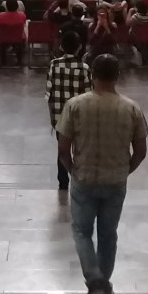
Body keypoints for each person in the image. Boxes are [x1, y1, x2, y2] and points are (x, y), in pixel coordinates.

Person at [56, 53, 148, 294]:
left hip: (84, 178)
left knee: (81, 231)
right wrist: (125, 170)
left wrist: (72, 169)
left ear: (92, 75)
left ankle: (95, 280)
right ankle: (104, 282)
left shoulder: (74, 105)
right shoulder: (131, 108)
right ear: (117, 76)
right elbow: (141, 151)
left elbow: (63, 148)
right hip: (115, 180)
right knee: (108, 234)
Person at [46, 29, 91, 195]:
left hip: (59, 117)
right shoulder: (84, 68)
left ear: (61, 47)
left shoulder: (54, 65)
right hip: (80, 118)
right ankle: (79, 180)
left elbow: (49, 94)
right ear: (79, 47)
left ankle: (63, 183)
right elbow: (89, 96)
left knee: (62, 151)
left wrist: (52, 118)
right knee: (80, 150)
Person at [0, 0, 26, 65]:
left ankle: (3, 60)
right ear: (17, 6)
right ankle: (19, 60)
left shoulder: (0, 15)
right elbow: (24, 22)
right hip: (18, 39)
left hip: (3, 39)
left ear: (6, 6)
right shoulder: (22, 15)